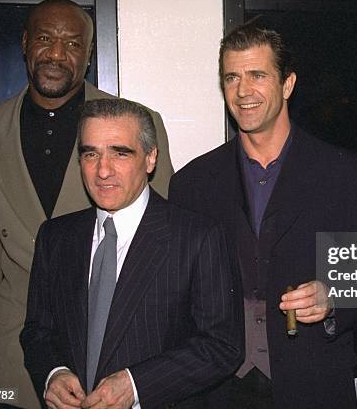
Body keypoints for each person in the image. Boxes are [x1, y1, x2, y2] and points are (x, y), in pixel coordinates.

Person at [0, 0, 173, 408]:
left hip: (115, 341)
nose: (57, 54)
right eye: (44, 39)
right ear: (24, 43)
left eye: (73, 44)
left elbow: (161, 243)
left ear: (89, 55)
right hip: (14, 343)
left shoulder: (139, 125)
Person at [169, 25, 357, 408]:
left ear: (287, 84)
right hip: (214, 390)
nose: (242, 91)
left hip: (313, 384)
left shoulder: (345, 173)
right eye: (231, 77)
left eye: (257, 75)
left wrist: (334, 297)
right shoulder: (191, 183)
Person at [20, 98, 242, 409]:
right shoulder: (55, 237)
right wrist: (53, 375)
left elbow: (222, 346)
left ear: (150, 158)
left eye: (120, 153)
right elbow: (37, 332)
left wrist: (136, 386)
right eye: (90, 154)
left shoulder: (197, 237)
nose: (103, 170)